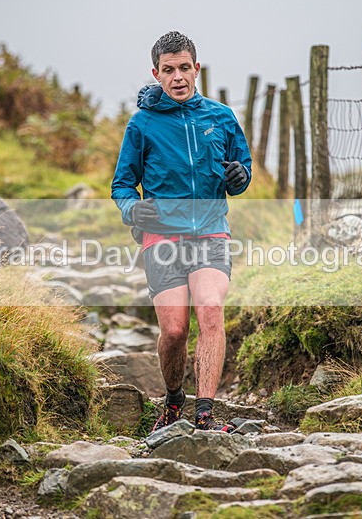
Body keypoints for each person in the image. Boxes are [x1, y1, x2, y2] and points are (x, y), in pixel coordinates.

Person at [111, 31, 252, 432]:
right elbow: (122, 185)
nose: (177, 77)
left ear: (197, 69)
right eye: (168, 70)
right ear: (156, 73)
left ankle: (205, 413)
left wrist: (240, 176)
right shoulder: (142, 124)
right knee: (174, 330)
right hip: (163, 238)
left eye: (184, 68)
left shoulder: (221, 117)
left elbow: (241, 172)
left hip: (210, 231)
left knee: (210, 311)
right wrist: (134, 211)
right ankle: (174, 401)